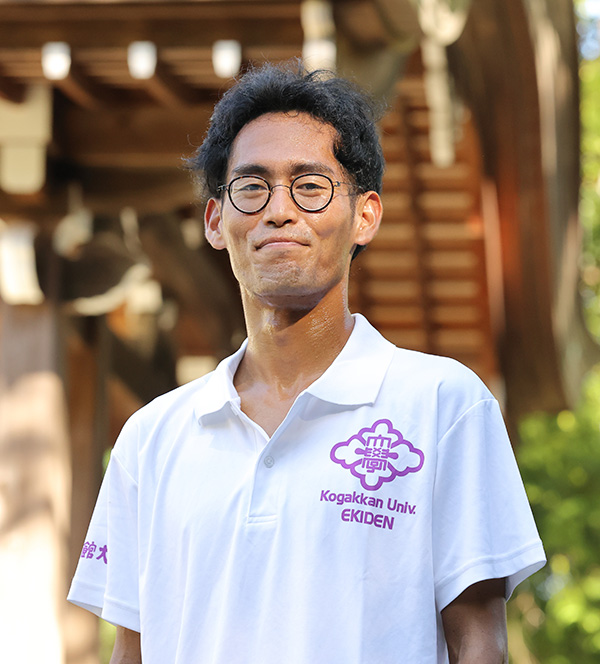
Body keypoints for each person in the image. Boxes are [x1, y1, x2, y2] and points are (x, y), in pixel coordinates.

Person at [68, 61, 545, 664]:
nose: (278, 211)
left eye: (311, 186)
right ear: (217, 221)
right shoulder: (151, 439)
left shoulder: (443, 404)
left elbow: (479, 644)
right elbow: (130, 653)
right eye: (251, 186)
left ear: (364, 215)